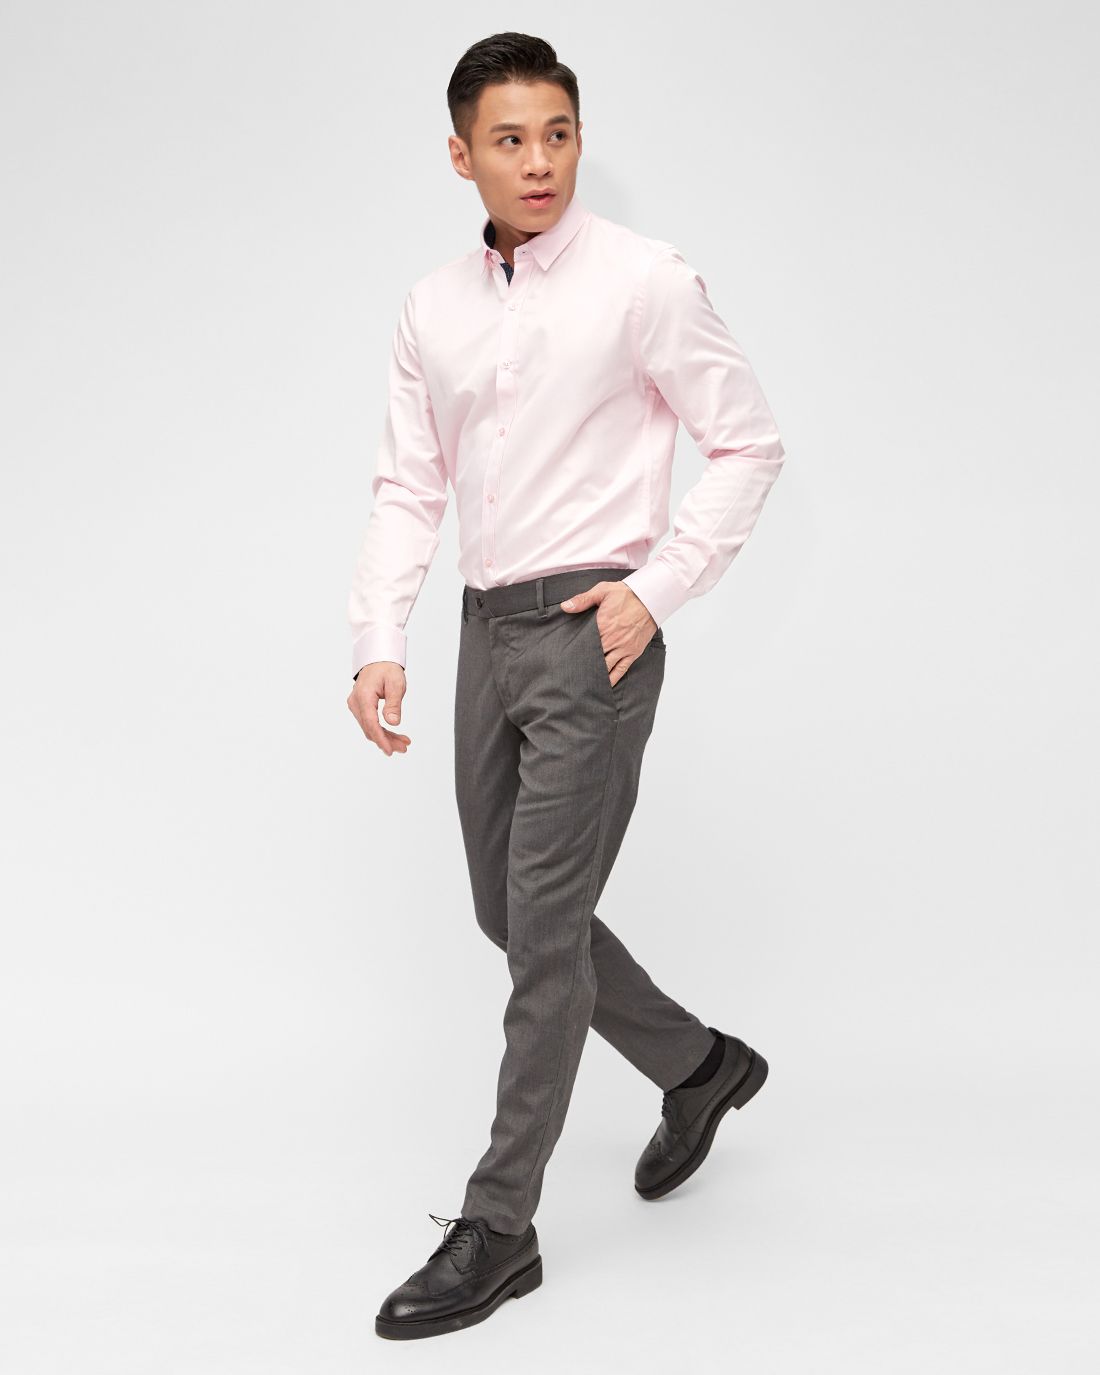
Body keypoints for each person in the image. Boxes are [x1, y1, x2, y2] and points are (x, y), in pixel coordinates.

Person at [346, 31, 785, 1342]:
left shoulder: (645, 281)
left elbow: (749, 443)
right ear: (461, 155)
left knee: (541, 934)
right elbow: (410, 480)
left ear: (579, 138)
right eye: (510, 140)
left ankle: (501, 1226)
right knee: (508, 909)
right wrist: (380, 635)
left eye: (559, 134)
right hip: (486, 634)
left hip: (596, 631)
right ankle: (701, 1066)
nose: (539, 162)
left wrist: (657, 589)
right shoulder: (432, 307)